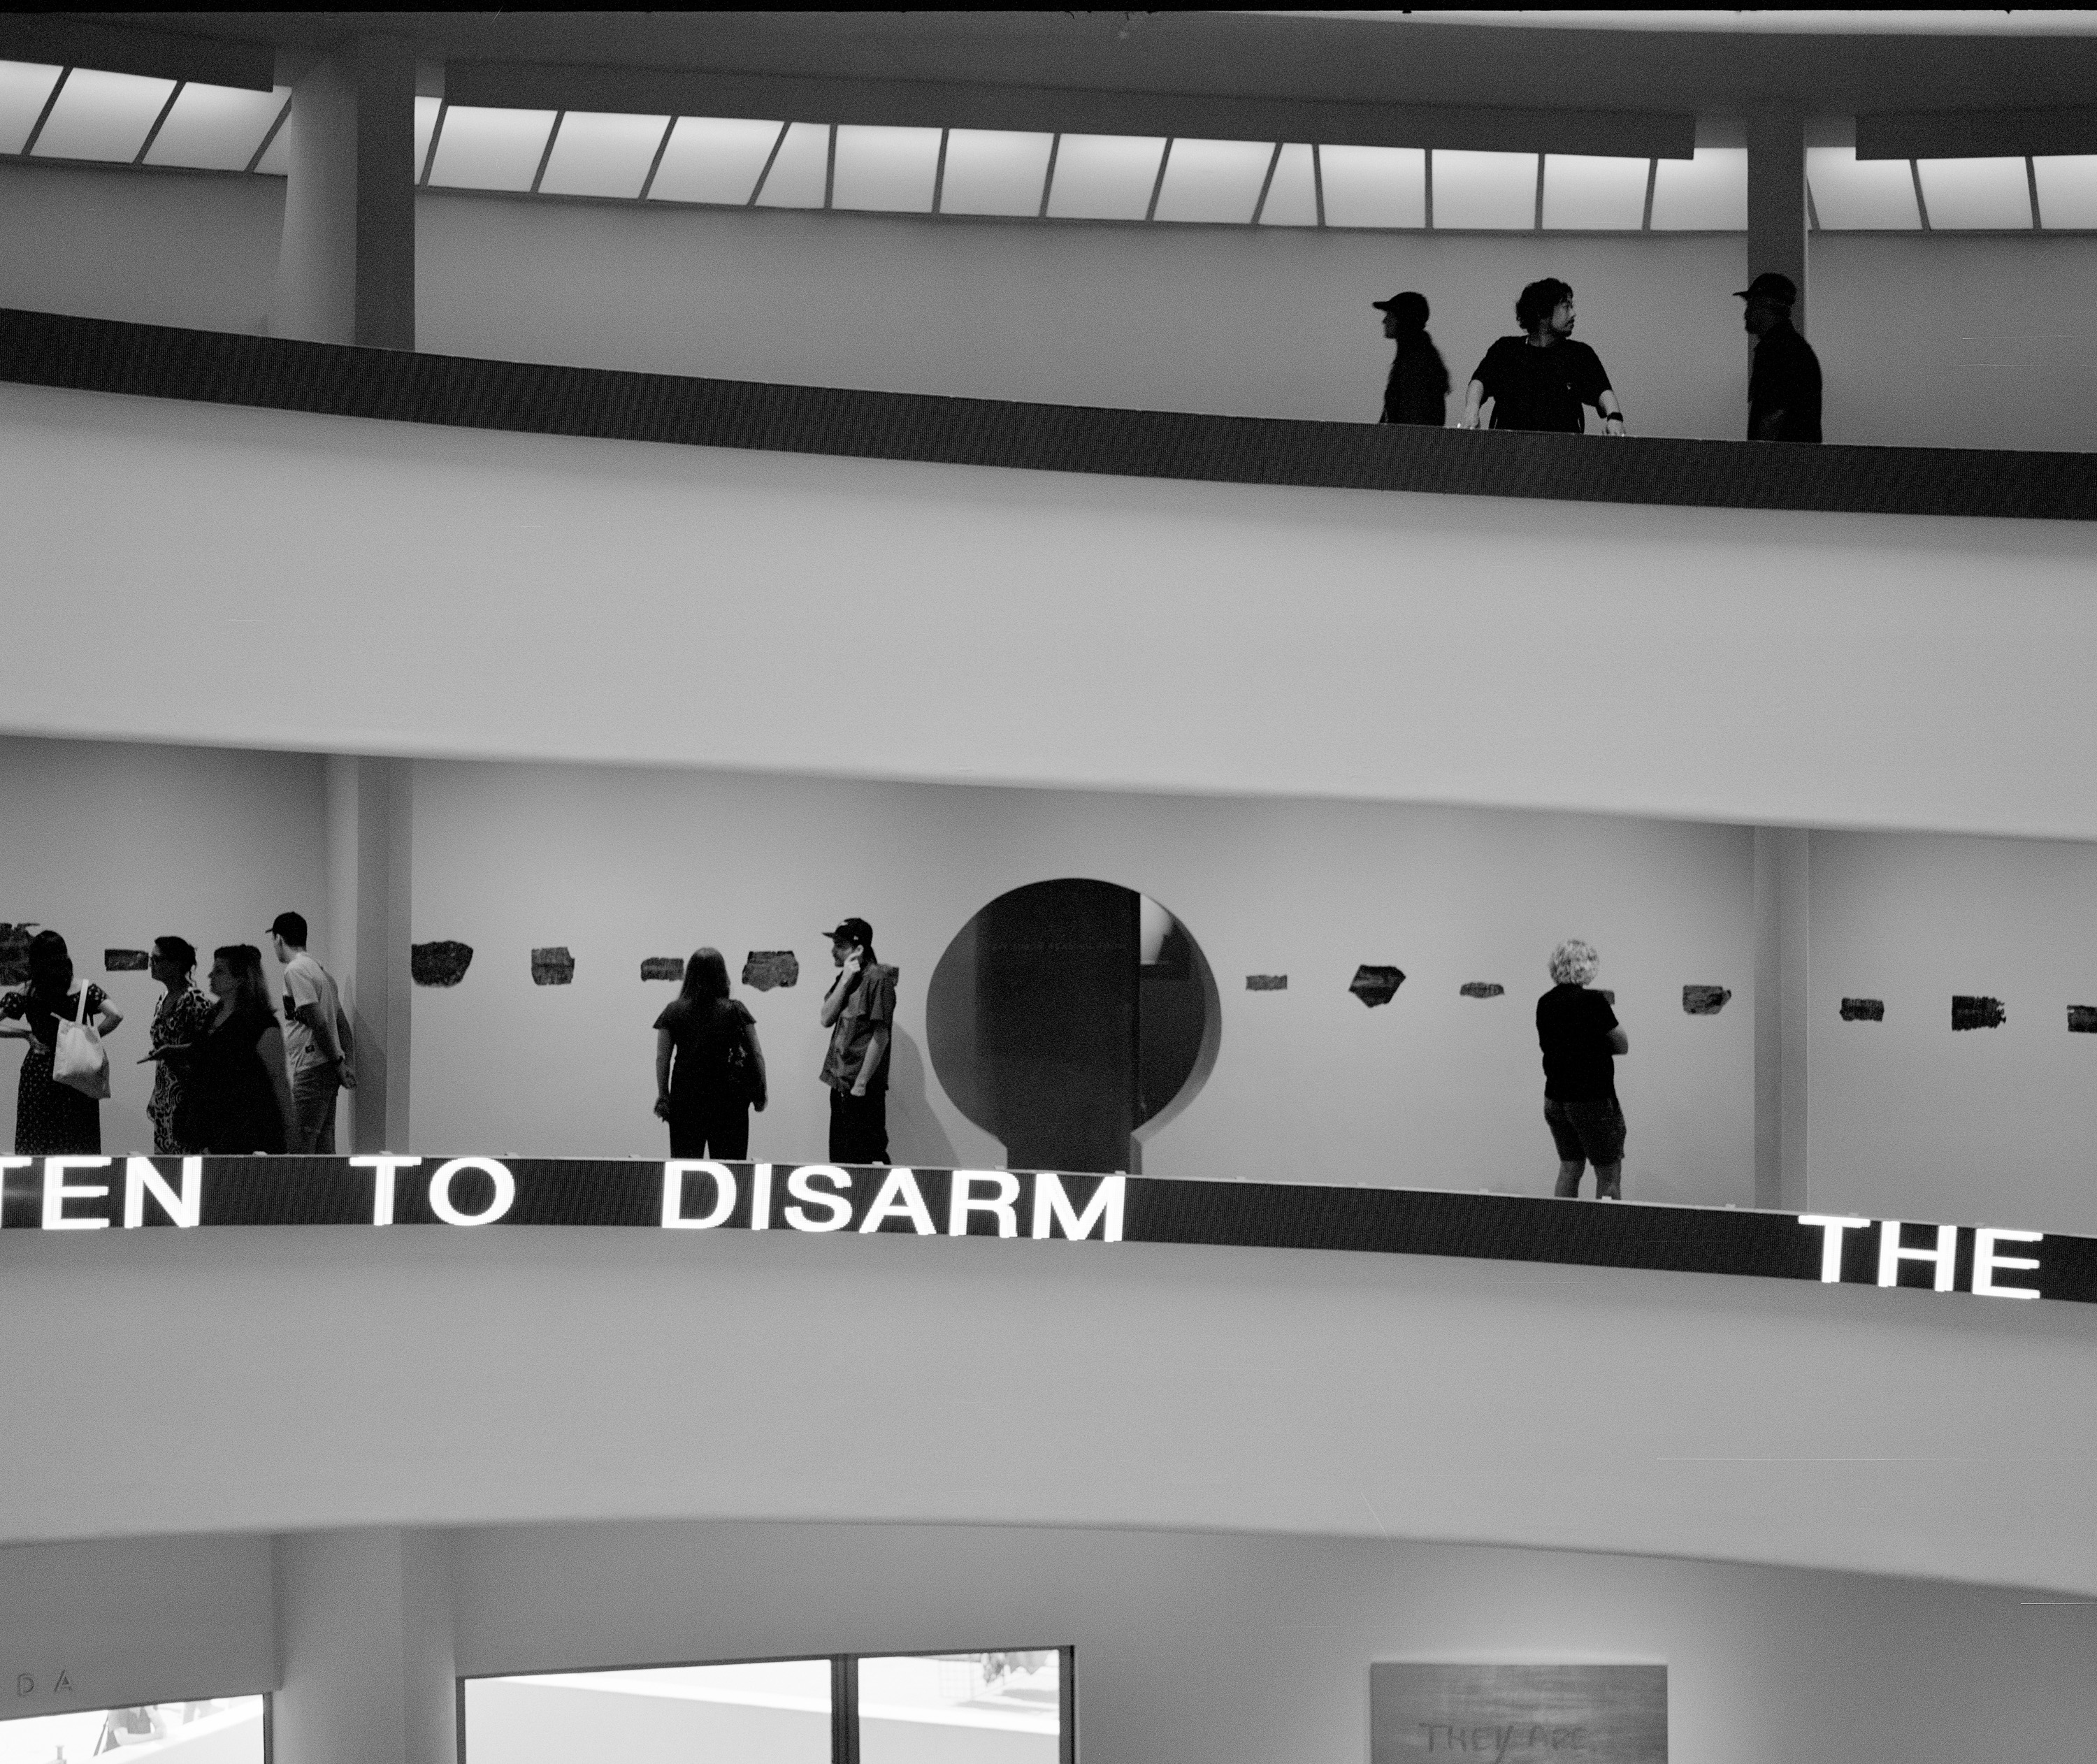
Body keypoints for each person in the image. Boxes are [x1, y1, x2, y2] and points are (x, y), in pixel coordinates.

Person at [0, 930, 122, 1155]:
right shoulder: (86, 989)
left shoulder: (28, 990)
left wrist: (24, 1034)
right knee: (78, 1140)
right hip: (76, 1073)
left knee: (37, 1141)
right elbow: (116, 1015)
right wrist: (89, 1039)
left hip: (39, 1070)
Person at [168, 946, 293, 1155]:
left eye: (219, 971)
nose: (210, 975)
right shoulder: (212, 1016)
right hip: (213, 1130)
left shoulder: (260, 1023)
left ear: (240, 979)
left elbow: (277, 1080)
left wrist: (290, 1130)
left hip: (246, 1131)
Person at [1460, 278, 1627, 435]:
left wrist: (1615, 418)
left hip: (1563, 454)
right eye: (1566, 306)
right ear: (1542, 312)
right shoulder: (1506, 349)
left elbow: (1602, 390)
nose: (1573, 313)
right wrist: (1472, 410)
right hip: (1507, 452)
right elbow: (1479, 382)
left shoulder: (1579, 354)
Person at [1536, 939, 1629, 1200]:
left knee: (1570, 1168)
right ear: (1585, 966)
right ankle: (1604, 1238)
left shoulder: (1545, 1003)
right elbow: (1622, 1044)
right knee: (1608, 1173)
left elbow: (1556, 1045)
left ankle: (1561, 1234)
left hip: (1555, 1096)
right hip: (1592, 1098)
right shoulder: (1592, 1001)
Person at [653, 946, 767, 1158]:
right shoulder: (737, 1010)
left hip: (686, 1099)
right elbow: (757, 1054)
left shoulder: (673, 1011)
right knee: (731, 1168)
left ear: (690, 974)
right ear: (722, 975)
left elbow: (663, 1059)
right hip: (730, 1101)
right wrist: (761, 1092)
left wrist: (663, 1095)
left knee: (685, 1168)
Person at [268, 911, 354, 1154]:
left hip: (312, 1066)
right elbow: (340, 1024)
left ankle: (303, 1192)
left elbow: (317, 1020)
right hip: (325, 1066)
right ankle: (328, 1191)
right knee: (324, 1143)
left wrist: (339, 1063)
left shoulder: (295, 970)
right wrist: (346, 1062)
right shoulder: (319, 971)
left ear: (279, 939)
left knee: (302, 1147)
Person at [819, 916, 897, 1165]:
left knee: (867, 1159)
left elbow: (880, 1036)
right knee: (841, 1160)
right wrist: (844, 980)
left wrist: (860, 1085)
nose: (833, 950)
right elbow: (825, 1018)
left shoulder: (878, 980)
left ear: (859, 949)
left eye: (840, 945)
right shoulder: (848, 978)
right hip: (840, 1083)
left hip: (861, 1090)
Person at [143, 935, 214, 1155]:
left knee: (187, 1162)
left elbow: (208, 1048)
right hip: (166, 1092)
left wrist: (173, 1052)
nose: (151, 964)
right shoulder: (163, 998)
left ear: (174, 964)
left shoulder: (195, 1000)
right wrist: (156, 1093)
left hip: (187, 1093)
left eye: (156, 959)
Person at [1737, 270, 1822, 442]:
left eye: (1751, 304)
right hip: (1799, 462)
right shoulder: (1794, 347)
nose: (1746, 313)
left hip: (1782, 463)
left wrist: (1758, 460)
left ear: (1764, 304)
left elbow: (1773, 414)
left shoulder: (1777, 350)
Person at [1373, 289, 1450, 426]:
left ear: (1403, 319)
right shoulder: (1420, 357)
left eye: (1390, 315)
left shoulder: (1416, 363)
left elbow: (1413, 419)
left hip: (1409, 444)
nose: (1384, 321)